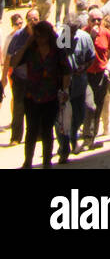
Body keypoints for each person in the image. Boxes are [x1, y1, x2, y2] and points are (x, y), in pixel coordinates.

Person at [11, 19, 70, 169]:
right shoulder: (31, 50)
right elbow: (14, 62)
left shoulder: (57, 50)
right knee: (31, 130)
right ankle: (27, 162)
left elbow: (66, 71)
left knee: (47, 130)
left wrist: (64, 91)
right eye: (36, 36)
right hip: (31, 96)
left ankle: (46, 162)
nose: (40, 39)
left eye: (42, 36)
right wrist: (26, 44)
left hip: (50, 96)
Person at [55, 11, 95, 162]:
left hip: (79, 84)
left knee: (81, 113)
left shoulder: (84, 38)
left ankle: (73, 136)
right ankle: (64, 148)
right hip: (63, 86)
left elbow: (91, 58)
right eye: (68, 30)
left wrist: (84, 67)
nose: (70, 34)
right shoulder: (59, 39)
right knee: (61, 119)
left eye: (73, 31)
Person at [2, 10, 36, 146]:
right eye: (31, 19)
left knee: (36, 108)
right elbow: (8, 57)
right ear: (27, 22)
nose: (33, 22)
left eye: (36, 19)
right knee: (18, 108)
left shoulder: (43, 34)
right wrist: (3, 78)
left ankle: (36, 135)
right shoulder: (17, 36)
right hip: (20, 78)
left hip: (37, 78)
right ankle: (16, 137)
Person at [83, 8, 110, 148]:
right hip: (87, 74)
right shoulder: (83, 33)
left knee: (98, 105)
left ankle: (92, 137)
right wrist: (91, 36)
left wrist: (103, 62)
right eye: (93, 20)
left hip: (101, 74)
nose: (96, 22)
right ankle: (87, 136)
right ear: (88, 21)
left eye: (99, 20)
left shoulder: (106, 33)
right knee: (89, 105)